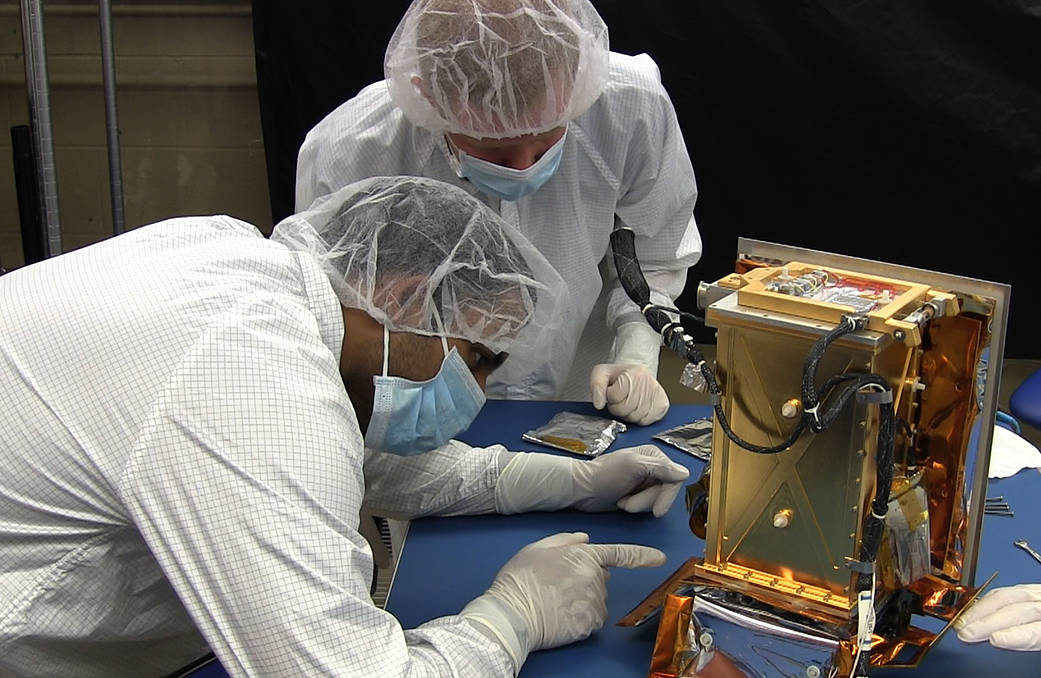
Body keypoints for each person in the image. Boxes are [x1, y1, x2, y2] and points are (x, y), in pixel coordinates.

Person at [0, 176, 691, 677]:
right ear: (399, 297)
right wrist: (511, 617)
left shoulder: (248, 276)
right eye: (477, 359)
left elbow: (349, 452)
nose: (477, 393)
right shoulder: (251, 380)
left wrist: (566, 479)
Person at [296, 0, 701, 427]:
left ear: (576, 80)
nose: (525, 167)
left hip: (585, 398)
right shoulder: (354, 151)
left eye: (546, 142)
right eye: (496, 153)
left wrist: (636, 350)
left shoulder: (628, 109)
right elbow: (331, 307)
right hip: (422, 413)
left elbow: (655, 254)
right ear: (429, 97)